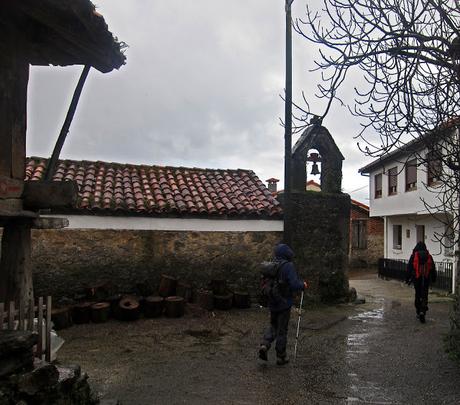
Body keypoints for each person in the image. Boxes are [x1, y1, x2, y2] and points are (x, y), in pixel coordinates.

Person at [259, 243, 307, 365]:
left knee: (273, 325)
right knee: (282, 330)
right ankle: (281, 357)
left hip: (272, 301)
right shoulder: (288, 266)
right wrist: (303, 285)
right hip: (284, 303)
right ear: (287, 254)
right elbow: (294, 284)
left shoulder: (271, 265)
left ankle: (265, 344)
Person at [406, 242, 437, 323]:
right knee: (424, 294)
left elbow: (409, 268)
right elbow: (433, 268)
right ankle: (423, 310)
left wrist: (407, 278)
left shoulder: (414, 256)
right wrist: (434, 278)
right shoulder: (428, 256)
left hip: (417, 278)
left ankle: (418, 311)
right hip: (426, 278)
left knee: (418, 293)